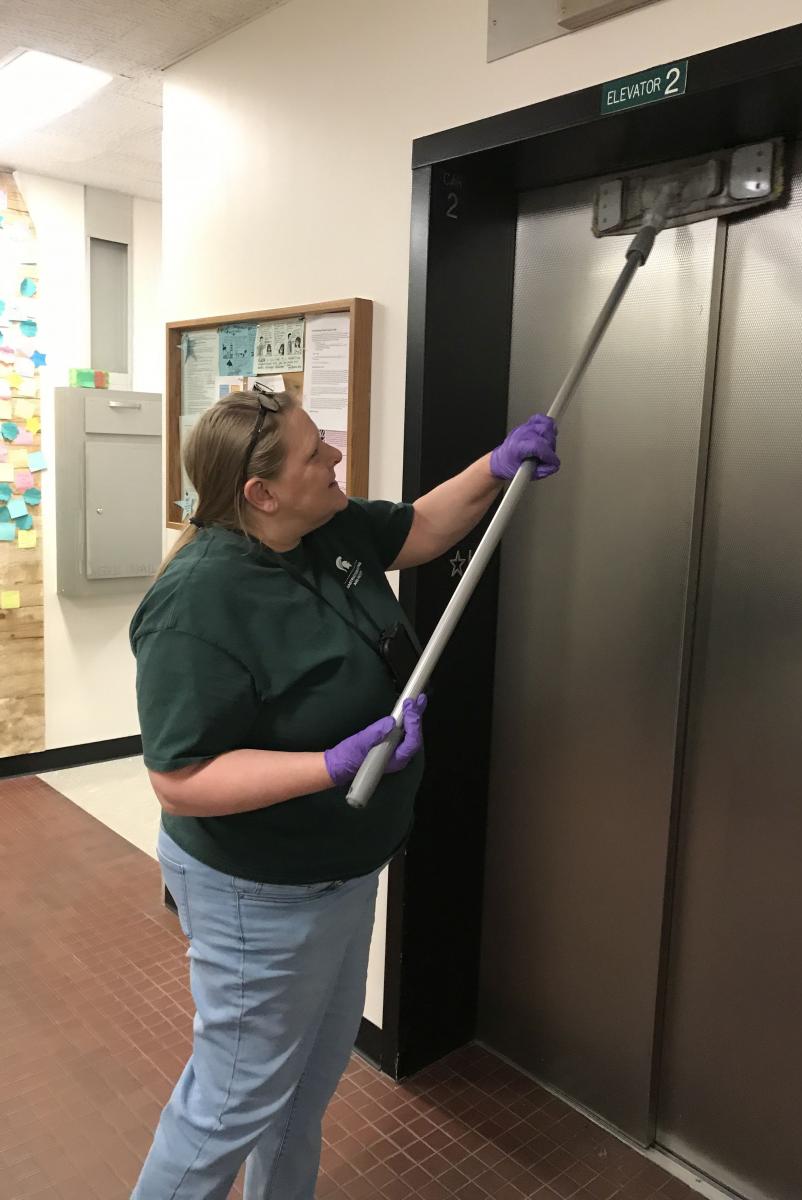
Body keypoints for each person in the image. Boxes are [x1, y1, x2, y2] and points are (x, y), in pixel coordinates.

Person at [129, 388, 560, 1199]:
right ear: (259, 495)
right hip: (258, 892)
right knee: (232, 1103)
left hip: (342, 872)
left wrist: (496, 468)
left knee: (305, 1084)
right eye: (314, 454)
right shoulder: (197, 603)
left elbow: (422, 529)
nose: (334, 460)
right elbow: (180, 780)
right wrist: (329, 765)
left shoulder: (323, 529)